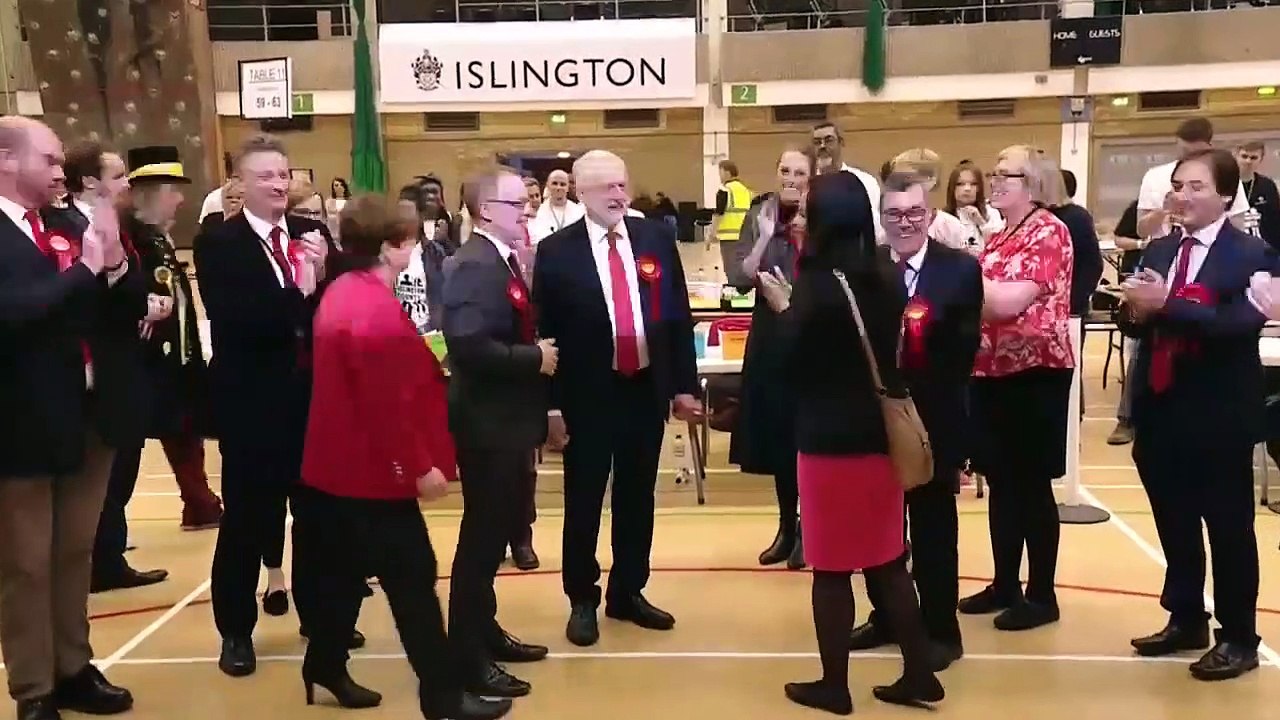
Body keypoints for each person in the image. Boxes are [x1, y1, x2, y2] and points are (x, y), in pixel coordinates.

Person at [291, 194, 510, 720]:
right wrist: (418, 466)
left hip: (337, 465)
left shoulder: (345, 291)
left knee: (347, 571)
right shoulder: (371, 309)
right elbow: (384, 403)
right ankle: (442, 696)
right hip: (369, 469)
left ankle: (323, 661)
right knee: (413, 578)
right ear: (397, 245)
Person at [758, 171, 944, 714]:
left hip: (829, 441)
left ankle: (835, 685)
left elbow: (791, 364)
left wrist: (782, 309)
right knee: (888, 563)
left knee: (832, 569)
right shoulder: (885, 273)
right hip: (880, 438)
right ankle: (918, 673)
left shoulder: (817, 284)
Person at [532, 150, 701, 647]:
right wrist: (552, 405)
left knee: (636, 496)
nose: (618, 196)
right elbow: (547, 332)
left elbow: (677, 313)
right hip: (588, 394)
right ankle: (581, 597)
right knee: (583, 499)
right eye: (606, 188)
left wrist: (683, 385)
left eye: (622, 186)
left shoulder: (654, 238)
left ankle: (628, 590)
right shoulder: (557, 251)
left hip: (643, 389)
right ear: (580, 193)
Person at [0, 116, 137, 720]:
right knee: (24, 563)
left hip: (84, 411)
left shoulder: (59, 225)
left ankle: (73, 666)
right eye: (51, 161)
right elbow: (14, 313)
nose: (62, 173)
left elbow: (104, 311)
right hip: (20, 422)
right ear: (6, 160)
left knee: (74, 551)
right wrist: (82, 270)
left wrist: (109, 263)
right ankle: (34, 688)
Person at [194, 133, 344, 678]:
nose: (278, 185)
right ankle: (236, 630)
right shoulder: (219, 243)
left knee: (316, 520)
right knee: (248, 523)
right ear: (239, 184)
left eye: (283, 175)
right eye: (265, 177)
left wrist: (325, 278)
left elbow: (343, 303)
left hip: (312, 405)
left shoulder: (312, 233)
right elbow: (241, 321)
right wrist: (301, 291)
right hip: (253, 408)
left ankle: (319, 615)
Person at [1120, 148, 1270, 681]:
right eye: (1178, 186)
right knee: (1174, 521)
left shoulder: (1253, 254)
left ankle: (1239, 636)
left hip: (1219, 411)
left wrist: (1168, 304)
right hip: (1162, 407)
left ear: (1226, 196)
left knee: (1228, 528)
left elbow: (1238, 323)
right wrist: (1134, 309)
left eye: (1196, 187)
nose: (1182, 196)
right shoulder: (1159, 249)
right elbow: (1138, 322)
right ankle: (1186, 616)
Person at [847, 172, 982, 672]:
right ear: (881, 220)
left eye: (914, 214)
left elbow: (962, 356)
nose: (904, 223)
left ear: (929, 216)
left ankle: (942, 630)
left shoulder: (960, 271)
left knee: (933, 531)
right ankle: (887, 616)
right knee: (878, 529)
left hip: (935, 421)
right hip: (876, 421)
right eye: (893, 214)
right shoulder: (869, 270)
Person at [442, 168, 554, 698]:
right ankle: (467, 655)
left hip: (506, 422)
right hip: (487, 425)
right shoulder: (471, 265)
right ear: (486, 209)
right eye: (516, 204)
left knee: (492, 536)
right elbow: (468, 345)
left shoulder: (500, 260)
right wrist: (536, 358)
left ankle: (485, 632)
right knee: (481, 543)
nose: (526, 211)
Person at [960, 145, 1074, 632]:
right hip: (991, 371)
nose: (995, 180)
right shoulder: (1000, 234)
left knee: (1030, 485)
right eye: (994, 170)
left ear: (1032, 182)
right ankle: (1005, 582)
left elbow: (1008, 301)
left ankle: (1042, 594)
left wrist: (957, 273)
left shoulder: (1048, 230)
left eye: (1006, 173)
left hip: (1035, 371)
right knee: (1002, 483)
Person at [726, 147, 814, 569]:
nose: (791, 178)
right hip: (770, 341)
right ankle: (786, 525)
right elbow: (740, 280)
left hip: (810, 338)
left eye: (800, 172)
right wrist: (762, 237)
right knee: (780, 438)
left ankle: (811, 530)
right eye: (785, 170)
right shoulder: (760, 213)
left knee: (808, 439)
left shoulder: (821, 216)